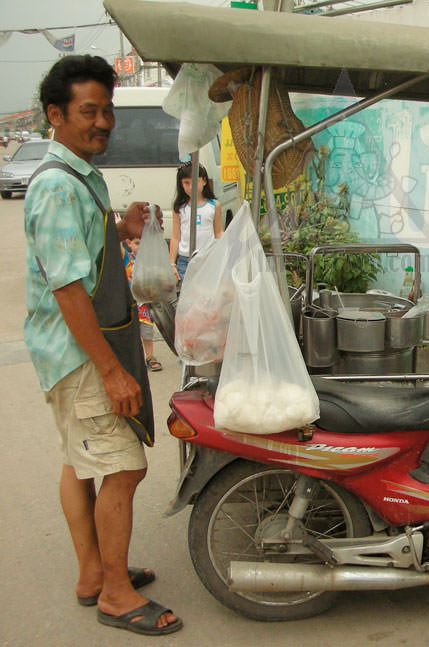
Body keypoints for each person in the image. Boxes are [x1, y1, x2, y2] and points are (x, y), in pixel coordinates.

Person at [23, 55, 182, 636]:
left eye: (107, 110)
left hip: (66, 353)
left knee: (80, 461)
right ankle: (115, 594)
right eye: (89, 111)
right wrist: (113, 371)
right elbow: (68, 289)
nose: (104, 122)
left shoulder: (78, 178)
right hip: (80, 356)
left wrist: (120, 230)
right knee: (124, 466)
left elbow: (78, 257)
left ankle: (94, 574)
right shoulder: (59, 189)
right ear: (55, 115)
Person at [169, 161, 222, 282]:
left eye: (195, 182)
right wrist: (172, 263)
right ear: (181, 184)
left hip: (208, 258)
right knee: (186, 295)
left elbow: (218, 233)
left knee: (207, 294)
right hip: (185, 260)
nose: (191, 187)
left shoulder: (214, 205)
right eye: (186, 183)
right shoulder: (179, 207)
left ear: (203, 181)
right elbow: (175, 236)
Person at [122, 238, 162, 371]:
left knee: (147, 333)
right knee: (131, 333)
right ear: (129, 243)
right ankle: (133, 360)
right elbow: (117, 249)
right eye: (137, 243)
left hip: (145, 303)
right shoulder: (127, 259)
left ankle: (150, 356)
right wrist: (118, 232)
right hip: (130, 303)